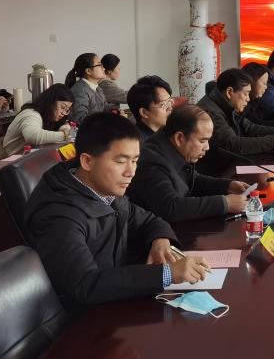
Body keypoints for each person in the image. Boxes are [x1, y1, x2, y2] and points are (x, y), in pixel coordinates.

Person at [25, 113, 210, 309]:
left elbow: (148, 220)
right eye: (121, 162)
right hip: (87, 318)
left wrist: (160, 240)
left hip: (116, 302)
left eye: (135, 161)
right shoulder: (58, 215)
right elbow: (86, 284)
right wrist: (168, 273)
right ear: (87, 162)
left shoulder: (104, 191)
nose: (131, 172)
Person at [128, 104, 251, 223]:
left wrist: (227, 186)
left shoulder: (170, 146)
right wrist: (225, 203)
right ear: (179, 138)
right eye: (202, 141)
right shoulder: (151, 162)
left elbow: (192, 180)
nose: (207, 147)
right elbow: (170, 207)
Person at [196, 68, 274, 176]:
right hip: (212, 174)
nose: (248, 99)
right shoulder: (211, 113)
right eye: (246, 94)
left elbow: (250, 127)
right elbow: (234, 144)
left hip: (227, 166)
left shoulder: (225, 104)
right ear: (229, 92)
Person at [0, 83, 73, 157]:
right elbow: (33, 136)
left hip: (26, 158)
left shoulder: (48, 116)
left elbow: (64, 124)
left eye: (67, 110)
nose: (63, 113)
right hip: (8, 159)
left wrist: (64, 129)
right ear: (51, 102)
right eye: (63, 107)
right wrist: (64, 135)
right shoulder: (31, 114)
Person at [242, 62, 274, 130]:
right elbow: (255, 127)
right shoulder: (242, 105)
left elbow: (264, 120)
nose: (266, 87)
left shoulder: (255, 102)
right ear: (251, 81)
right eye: (264, 83)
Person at [66, 53, 109, 123]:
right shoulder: (80, 90)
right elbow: (80, 119)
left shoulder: (98, 89)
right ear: (88, 71)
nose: (104, 68)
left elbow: (106, 112)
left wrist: (115, 113)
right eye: (99, 65)